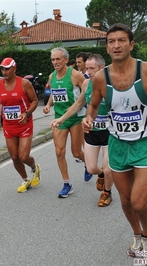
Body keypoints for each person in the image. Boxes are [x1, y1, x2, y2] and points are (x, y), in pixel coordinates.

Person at [84, 23, 147, 258]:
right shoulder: (100, 79)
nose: (117, 45)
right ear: (107, 47)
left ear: (131, 44)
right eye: (112, 41)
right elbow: (94, 105)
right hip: (117, 144)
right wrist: (88, 118)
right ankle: (137, 235)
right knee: (125, 201)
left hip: (145, 144)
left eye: (122, 40)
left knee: (138, 202)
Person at [51, 54, 114, 206]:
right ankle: (100, 176)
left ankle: (107, 192)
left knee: (107, 169)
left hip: (110, 132)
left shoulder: (113, 84)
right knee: (92, 168)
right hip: (92, 130)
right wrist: (62, 118)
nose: (89, 71)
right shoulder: (86, 84)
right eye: (87, 68)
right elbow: (79, 104)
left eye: (92, 69)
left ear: (102, 68)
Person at [0, 57, 41, 193]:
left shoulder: (24, 83)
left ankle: (35, 168)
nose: (4, 72)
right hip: (9, 126)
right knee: (14, 157)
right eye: (2, 69)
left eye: (7, 69)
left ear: (14, 68)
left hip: (24, 124)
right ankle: (25, 179)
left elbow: (35, 101)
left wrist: (27, 113)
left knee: (23, 156)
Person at [43, 47, 87, 198]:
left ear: (66, 60)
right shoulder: (51, 76)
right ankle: (67, 183)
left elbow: (86, 94)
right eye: (53, 60)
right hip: (59, 118)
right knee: (59, 151)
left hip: (75, 118)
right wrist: (49, 104)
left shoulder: (75, 76)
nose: (55, 62)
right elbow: (54, 93)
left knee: (76, 152)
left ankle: (88, 164)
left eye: (58, 59)